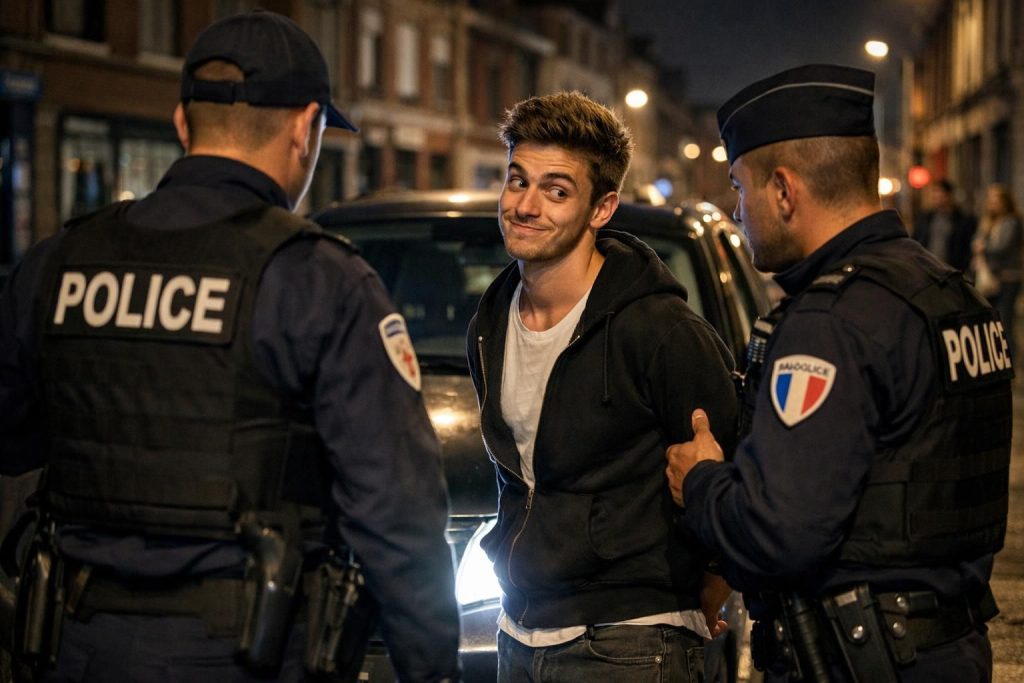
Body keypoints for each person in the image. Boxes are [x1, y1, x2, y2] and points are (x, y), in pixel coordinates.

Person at [0, 10, 460, 682]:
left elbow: (12, 436)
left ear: (183, 124)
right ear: (306, 128)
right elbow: (397, 513)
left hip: (74, 640)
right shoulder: (321, 280)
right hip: (243, 649)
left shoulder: (57, 261)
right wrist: (433, 670)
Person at [665, 64, 1012, 682]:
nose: (738, 212)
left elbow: (779, 535)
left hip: (859, 659)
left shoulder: (831, 322)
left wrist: (701, 482)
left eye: (740, 190)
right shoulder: (949, 294)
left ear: (783, 190)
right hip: (949, 646)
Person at [466, 90, 738, 682]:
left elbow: (733, 470)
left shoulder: (660, 330)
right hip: (518, 630)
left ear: (601, 208)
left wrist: (707, 585)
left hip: (631, 641)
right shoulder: (491, 320)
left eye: (556, 190)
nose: (526, 205)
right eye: (518, 182)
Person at [973, 183, 1023, 359]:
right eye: (990, 200)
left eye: (997, 200)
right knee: (990, 319)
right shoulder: (987, 222)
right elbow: (976, 242)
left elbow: (1002, 248)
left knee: (1005, 320)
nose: (993, 204)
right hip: (989, 277)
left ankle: (1011, 359)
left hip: (1008, 276)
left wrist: (984, 248)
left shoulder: (1012, 221)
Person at [911, 179, 976, 271]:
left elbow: (967, 248)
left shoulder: (963, 220)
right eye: (933, 193)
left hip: (952, 271)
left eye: (938, 193)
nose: (934, 197)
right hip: (927, 270)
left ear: (948, 195)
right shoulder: (925, 218)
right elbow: (916, 240)